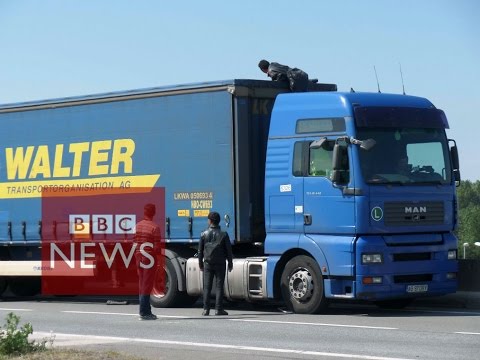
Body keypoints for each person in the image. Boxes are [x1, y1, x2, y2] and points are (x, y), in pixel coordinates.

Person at [198, 211, 233, 316]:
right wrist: (230, 263)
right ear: (218, 221)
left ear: (210, 221)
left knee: (207, 287)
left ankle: (206, 310)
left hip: (208, 263)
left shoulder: (203, 234)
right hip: (220, 263)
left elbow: (200, 251)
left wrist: (200, 263)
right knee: (219, 286)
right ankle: (218, 309)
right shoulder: (224, 234)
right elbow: (228, 251)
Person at [134, 203, 162, 320]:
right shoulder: (155, 228)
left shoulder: (137, 226)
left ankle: (145, 311)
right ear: (154, 213)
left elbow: (134, 242)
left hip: (138, 256)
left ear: (144, 212)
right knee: (147, 285)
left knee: (142, 284)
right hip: (149, 258)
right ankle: (144, 312)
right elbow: (157, 248)